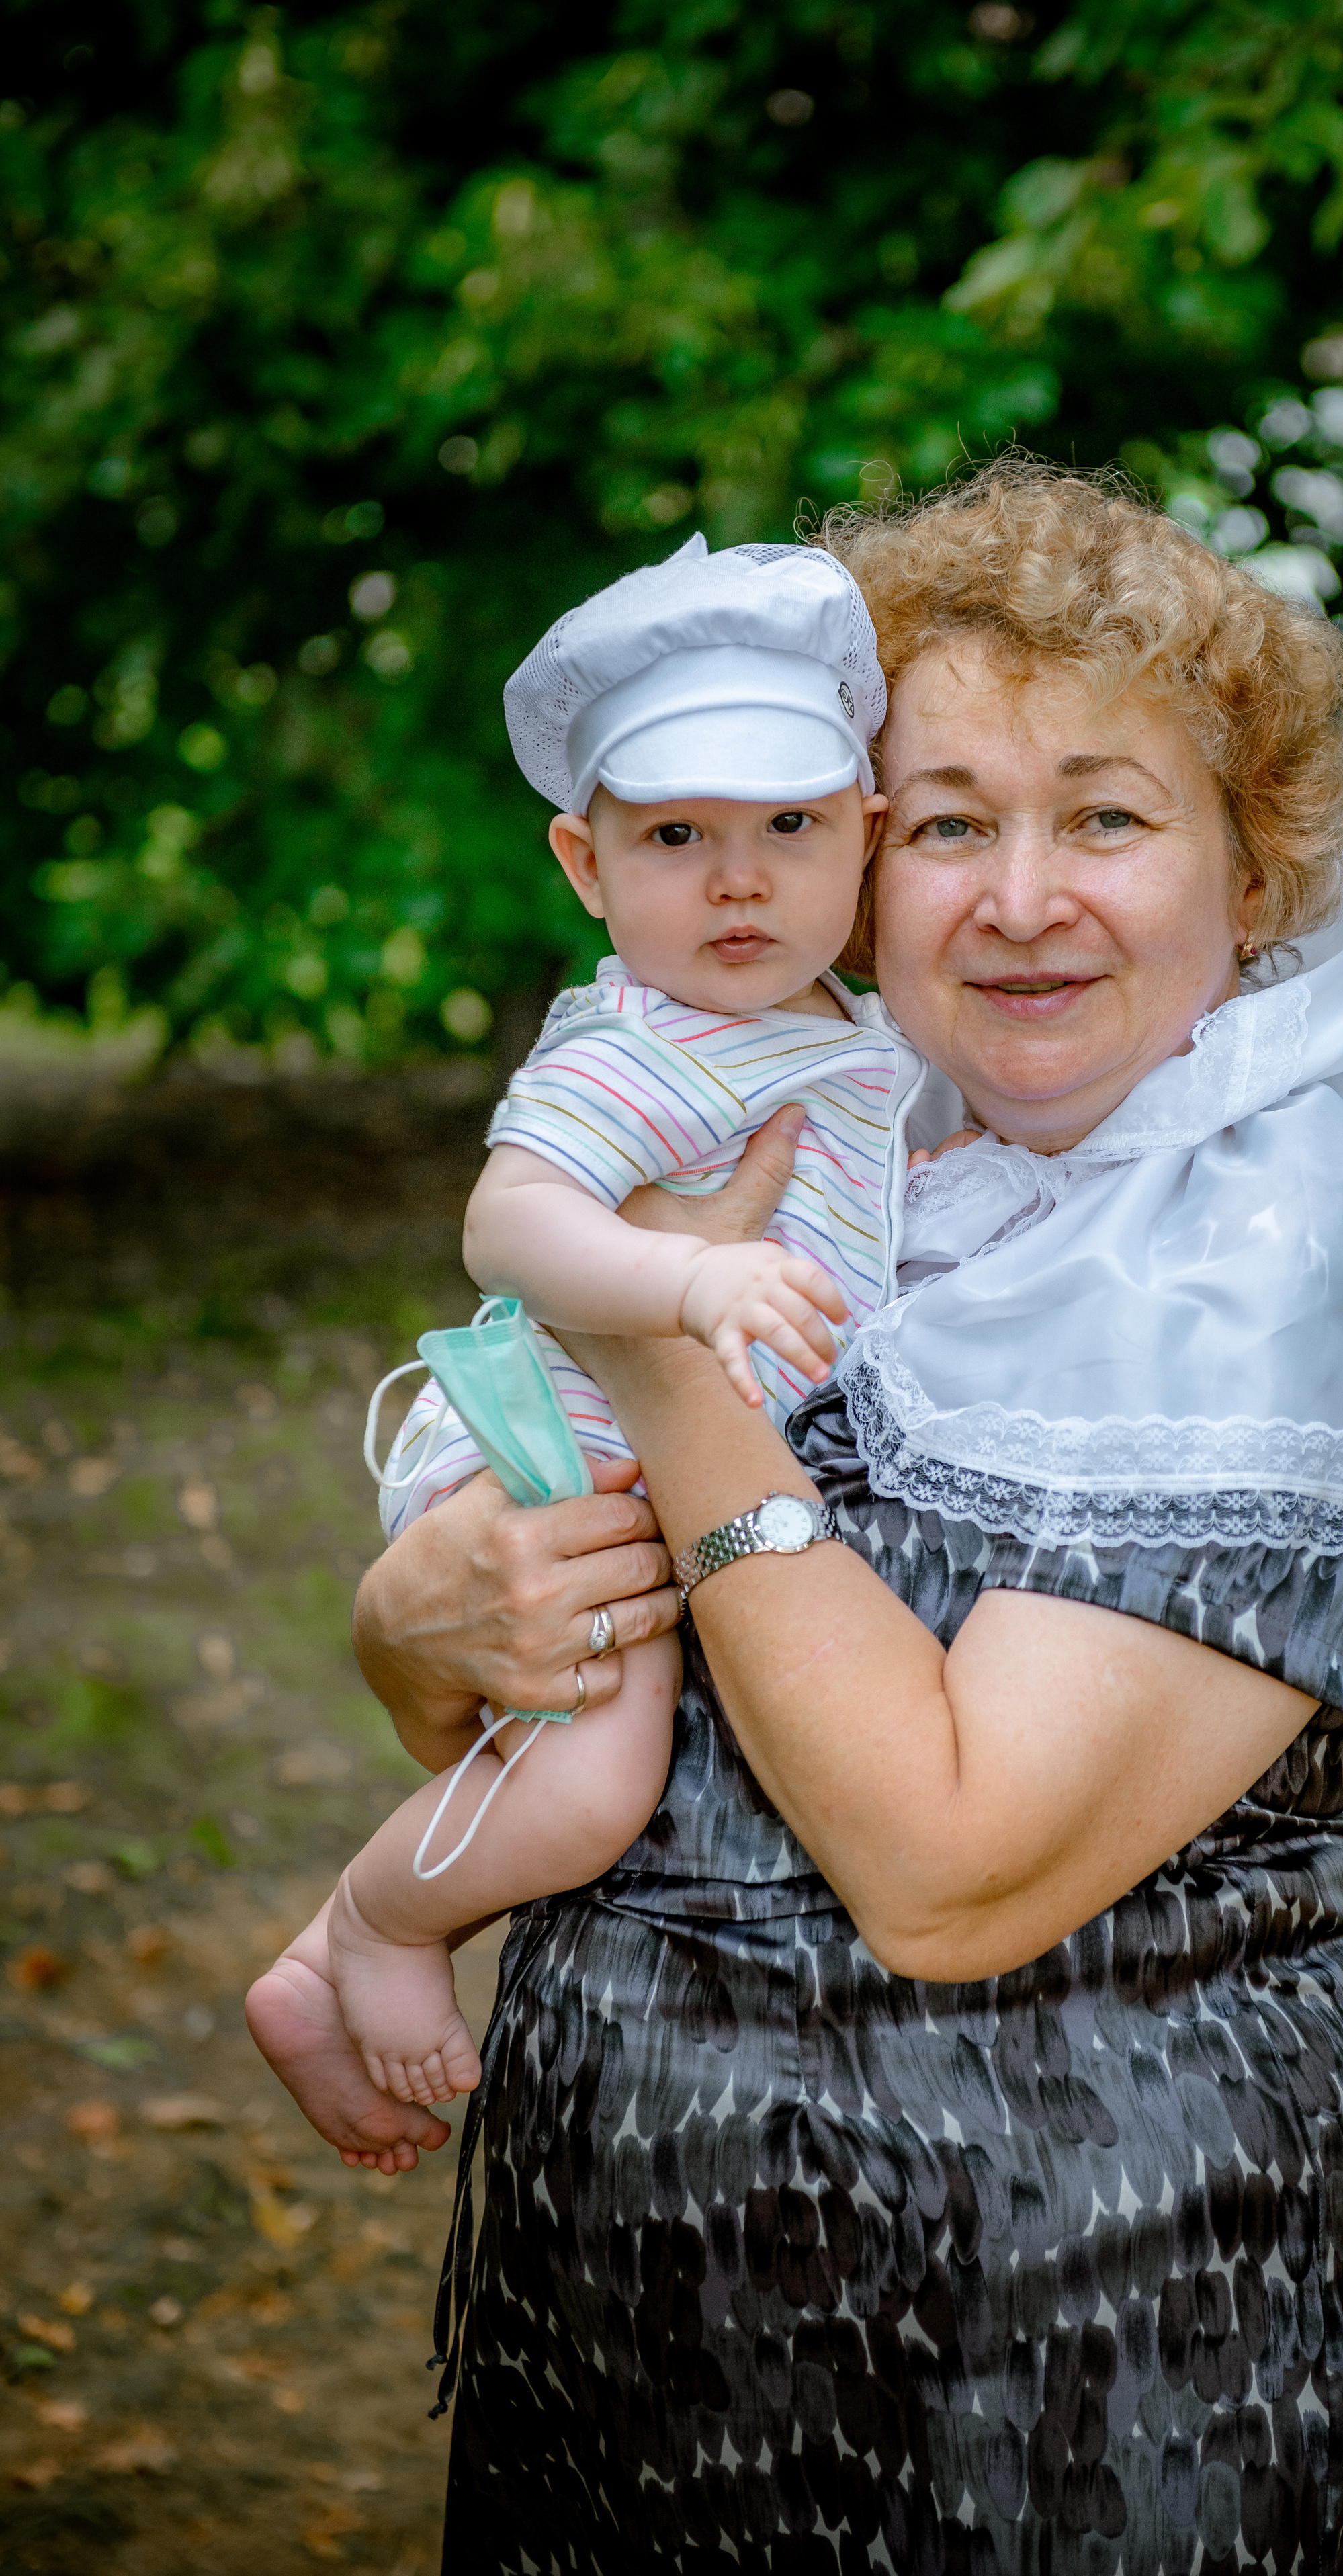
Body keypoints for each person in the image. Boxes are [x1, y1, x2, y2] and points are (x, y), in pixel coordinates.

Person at [307, 464, 1343, 2569]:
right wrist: (418, 1631)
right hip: (635, 2332)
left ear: (1256, 877)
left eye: (1109, 817)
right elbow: (585, 1702)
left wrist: (670, 1349)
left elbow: (950, 1872)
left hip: (1097, 2355)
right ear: (860, 860)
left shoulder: (1304, 1248)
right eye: (948, 818)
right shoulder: (860, 1146)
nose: (1018, 894)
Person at [249, 537, 957, 2122]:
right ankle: (373, 1925)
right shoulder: (637, 1042)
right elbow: (506, 1225)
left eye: (789, 826)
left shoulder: (847, 1033)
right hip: (554, 1453)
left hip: (659, 1470)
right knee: (596, 1774)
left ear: (867, 835)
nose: (736, 877)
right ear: (585, 865)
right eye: (675, 835)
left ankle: (313, 1962)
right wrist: (685, 1287)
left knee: (607, 1752)